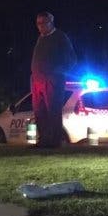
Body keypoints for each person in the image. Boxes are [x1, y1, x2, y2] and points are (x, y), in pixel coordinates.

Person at [31, 11, 77, 148]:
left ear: (51, 22)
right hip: (37, 80)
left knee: (53, 110)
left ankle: (54, 141)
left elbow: (72, 59)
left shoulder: (60, 37)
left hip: (52, 80)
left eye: (43, 23)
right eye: (38, 23)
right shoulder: (40, 38)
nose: (40, 26)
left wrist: (57, 72)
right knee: (39, 111)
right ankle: (44, 139)